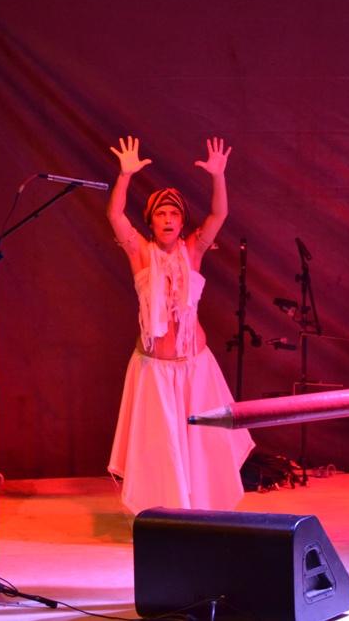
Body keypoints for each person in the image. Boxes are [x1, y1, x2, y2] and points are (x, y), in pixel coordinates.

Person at [106, 135, 254, 515]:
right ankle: (167, 513)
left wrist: (218, 177)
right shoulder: (141, 252)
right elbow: (116, 216)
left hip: (194, 367)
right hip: (154, 370)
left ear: (182, 220)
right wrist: (125, 176)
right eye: (161, 214)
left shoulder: (192, 250)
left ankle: (199, 512)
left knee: (199, 445)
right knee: (162, 449)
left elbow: (218, 216)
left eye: (174, 214)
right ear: (151, 221)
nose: (168, 219)